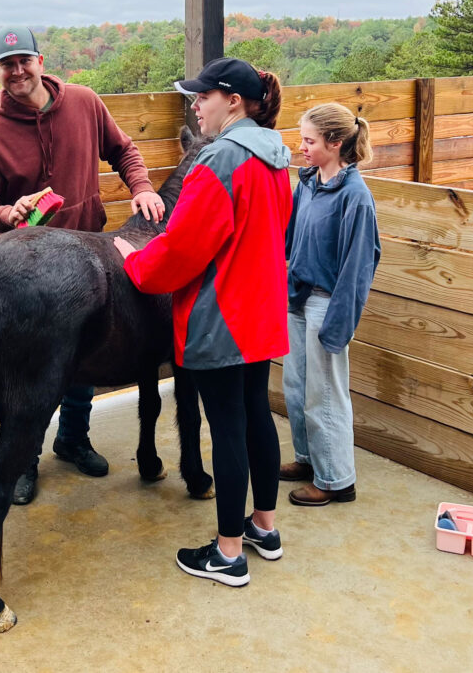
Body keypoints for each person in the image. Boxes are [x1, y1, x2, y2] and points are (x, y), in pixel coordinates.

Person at [0, 25, 165, 505]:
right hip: (33, 273)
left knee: (87, 356)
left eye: (24, 60)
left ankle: (73, 438)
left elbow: (124, 150)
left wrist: (142, 188)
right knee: (32, 374)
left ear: (41, 60)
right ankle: (25, 460)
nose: (17, 70)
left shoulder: (85, 102)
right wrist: (6, 214)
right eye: (7, 64)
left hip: (92, 249)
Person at [113, 57, 292, 587]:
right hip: (261, 314)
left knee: (229, 431)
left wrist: (132, 258)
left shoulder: (217, 161)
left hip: (222, 320)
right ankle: (265, 527)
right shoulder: (279, 157)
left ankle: (228, 554)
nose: (196, 106)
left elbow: (182, 248)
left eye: (202, 97)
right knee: (257, 417)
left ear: (232, 101)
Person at [279, 102, 381, 506]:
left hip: (326, 306)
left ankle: (337, 480)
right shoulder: (306, 184)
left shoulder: (355, 197)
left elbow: (359, 267)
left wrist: (339, 326)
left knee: (325, 394)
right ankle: (308, 460)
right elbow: (289, 240)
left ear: (335, 143)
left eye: (309, 140)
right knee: (296, 388)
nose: (300, 147)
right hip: (298, 301)